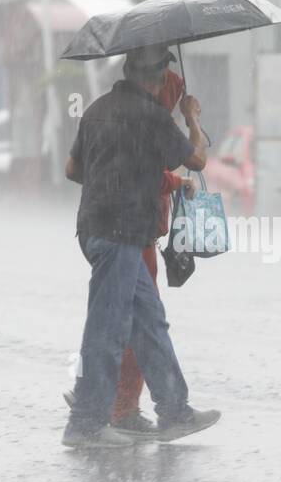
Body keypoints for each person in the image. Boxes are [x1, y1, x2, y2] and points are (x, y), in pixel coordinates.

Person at [62, 45, 221, 448]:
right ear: (157, 78)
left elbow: (72, 170)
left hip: (99, 230)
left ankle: (174, 412)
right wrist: (192, 119)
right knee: (108, 328)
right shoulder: (151, 116)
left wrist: (112, 179)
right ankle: (85, 424)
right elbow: (198, 160)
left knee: (149, 322)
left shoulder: (97, 109)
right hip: (119, 235)